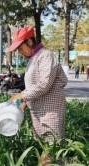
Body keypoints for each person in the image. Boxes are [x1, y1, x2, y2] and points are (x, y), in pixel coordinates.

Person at [7, 26, 68, 163]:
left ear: (29, 41)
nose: (20, 52)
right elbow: (33, 87)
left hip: (51, 112)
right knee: (46, 150)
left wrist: (22, 95)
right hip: (38, 114)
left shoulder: (46, 56)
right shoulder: (33, 59)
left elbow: (43, 84)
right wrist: (25, 103)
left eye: (20, 48)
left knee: (52, 150)